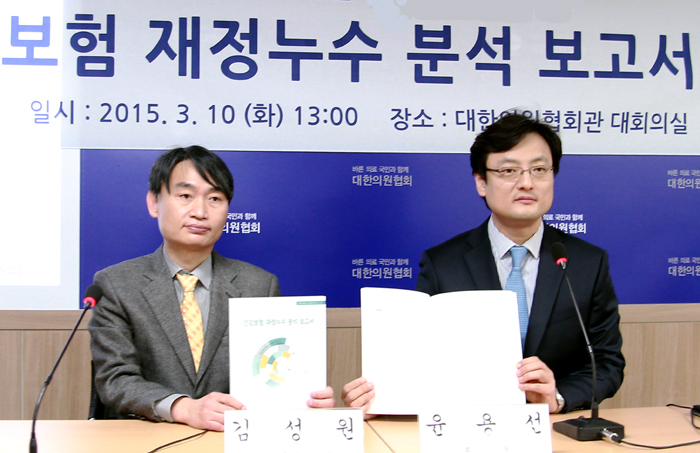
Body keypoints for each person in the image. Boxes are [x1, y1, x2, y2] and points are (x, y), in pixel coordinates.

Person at [344, 113, 624, 415]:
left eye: (539, 169)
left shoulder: (586, 262)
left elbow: (607, 362)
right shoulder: (443, 263)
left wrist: (557, 396)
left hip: (553, 429)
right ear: (481, 182)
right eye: (509, 171)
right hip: (467, 425)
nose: (527, 183)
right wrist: (382, 398)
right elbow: (416, 360)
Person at [89, 146, 334, 431]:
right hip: (146, 437)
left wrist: (302, 395)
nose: (200, 212)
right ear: (154, 202)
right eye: (185, 196)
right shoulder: (116, 284)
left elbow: (275, 369)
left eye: (215, 198)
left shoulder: (259, 285)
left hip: (230, 438)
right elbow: (115, 379)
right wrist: (184, 408)